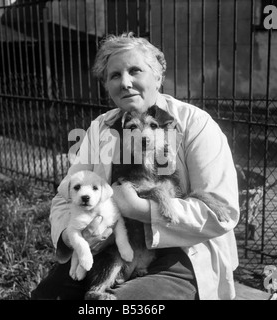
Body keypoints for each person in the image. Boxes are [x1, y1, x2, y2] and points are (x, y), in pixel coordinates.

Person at [31, 32, 240, 300]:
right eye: (115, 75)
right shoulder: (100, 128)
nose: (126, 82)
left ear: (157, 76)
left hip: (181, 251)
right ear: (106, 85)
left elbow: (223, 211)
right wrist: (74, 238)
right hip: (111, 246)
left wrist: (141, 210)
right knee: (48, 296)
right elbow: (65, 195)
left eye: (135, 70)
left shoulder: (195, 125)